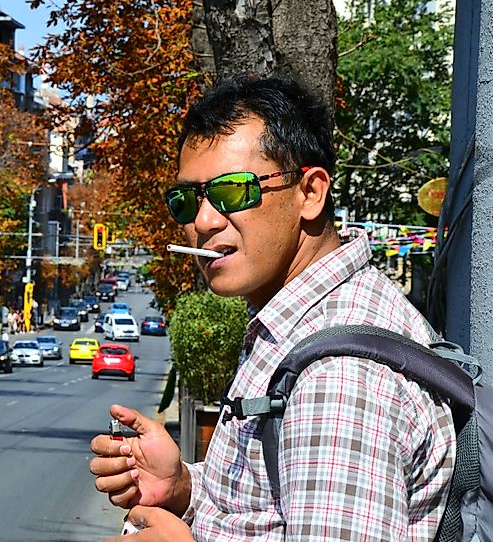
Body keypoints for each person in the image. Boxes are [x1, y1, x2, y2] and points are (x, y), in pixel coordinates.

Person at [89, 75, 454, 541]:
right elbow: (268, 514)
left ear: (310, 193)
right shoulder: (301, 326)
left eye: (232, 192)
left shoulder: (339, 378)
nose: (202, 221)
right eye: (186, 200)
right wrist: (183, 488)